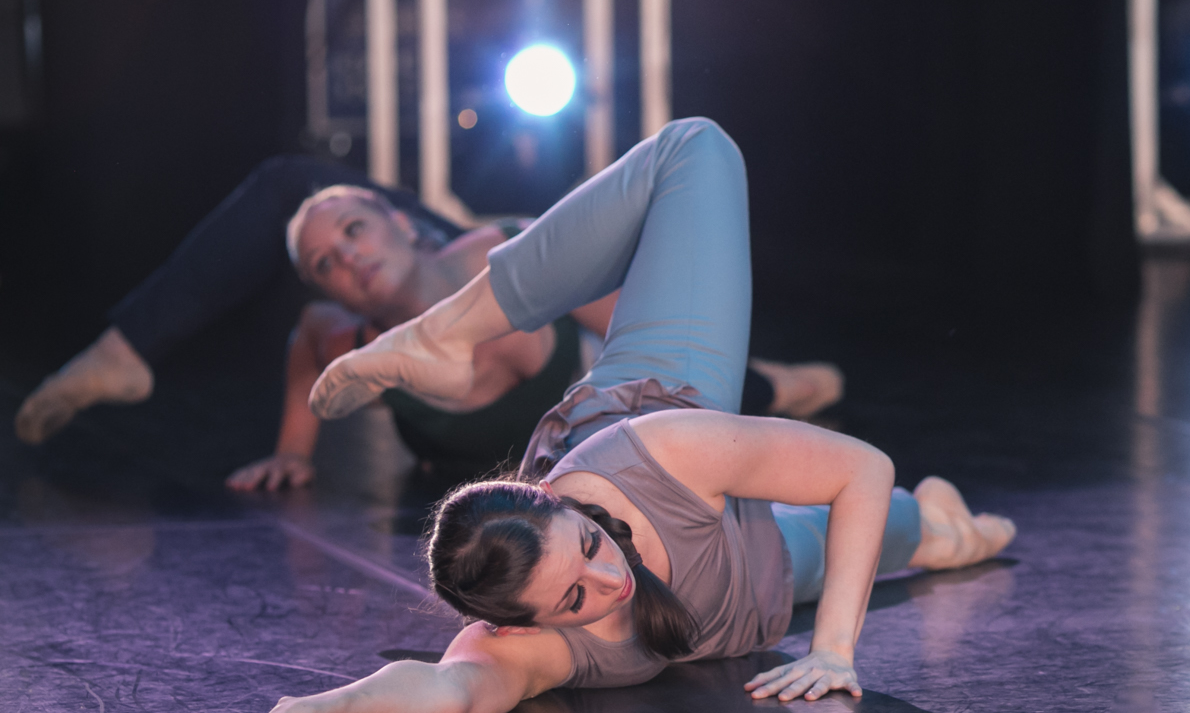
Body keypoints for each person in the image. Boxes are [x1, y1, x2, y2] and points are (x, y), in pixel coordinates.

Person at [178, 118, 1015, 713]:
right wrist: (313, 712)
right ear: (519, 625)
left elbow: (860, 463)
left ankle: (448, 329)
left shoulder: (658, 449)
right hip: (756, 578)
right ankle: (943, 527)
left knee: (696, 149)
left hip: (655, 419)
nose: (609, 578)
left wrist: (834, 649)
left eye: (588, 545)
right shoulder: (530, 648)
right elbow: (441, 689)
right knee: (912, 536)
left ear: (551, 501)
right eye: (575, 598)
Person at [13, 158, 844, 483]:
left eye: (356, 230)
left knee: (546, 287)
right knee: (288, 195)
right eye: (326, 264)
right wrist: (292, 453)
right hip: (468, 456)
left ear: (405, 221)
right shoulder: (340, 335)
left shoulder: (507, 252)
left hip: (599, 391)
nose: (348, 258)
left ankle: (777, 380)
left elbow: (653, 334)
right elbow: (306, 352)